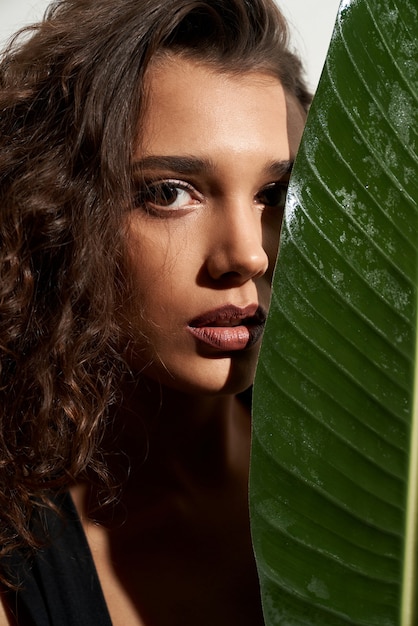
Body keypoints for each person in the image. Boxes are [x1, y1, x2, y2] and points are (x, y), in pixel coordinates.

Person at [0, 0, 310, 623]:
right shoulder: (17, 558)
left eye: (274, 194)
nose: (246, 254)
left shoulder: (379, 479)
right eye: (170, 193)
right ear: (56, 213)